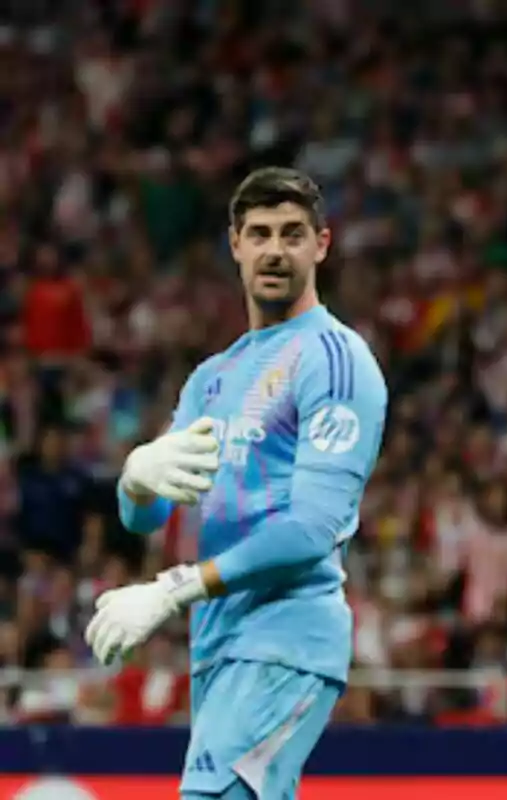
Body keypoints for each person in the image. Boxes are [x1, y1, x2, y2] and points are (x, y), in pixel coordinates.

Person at [83, 168, 388, 800]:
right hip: (220, 644)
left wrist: (175, 589)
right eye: (260, 234)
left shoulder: (334, 358)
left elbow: (311, 529)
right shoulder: (212, 379)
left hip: (285, 638)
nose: (275, 250)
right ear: (235, 244)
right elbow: (145, 519)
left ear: (321, 245)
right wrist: (137, 479)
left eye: (292, 234)